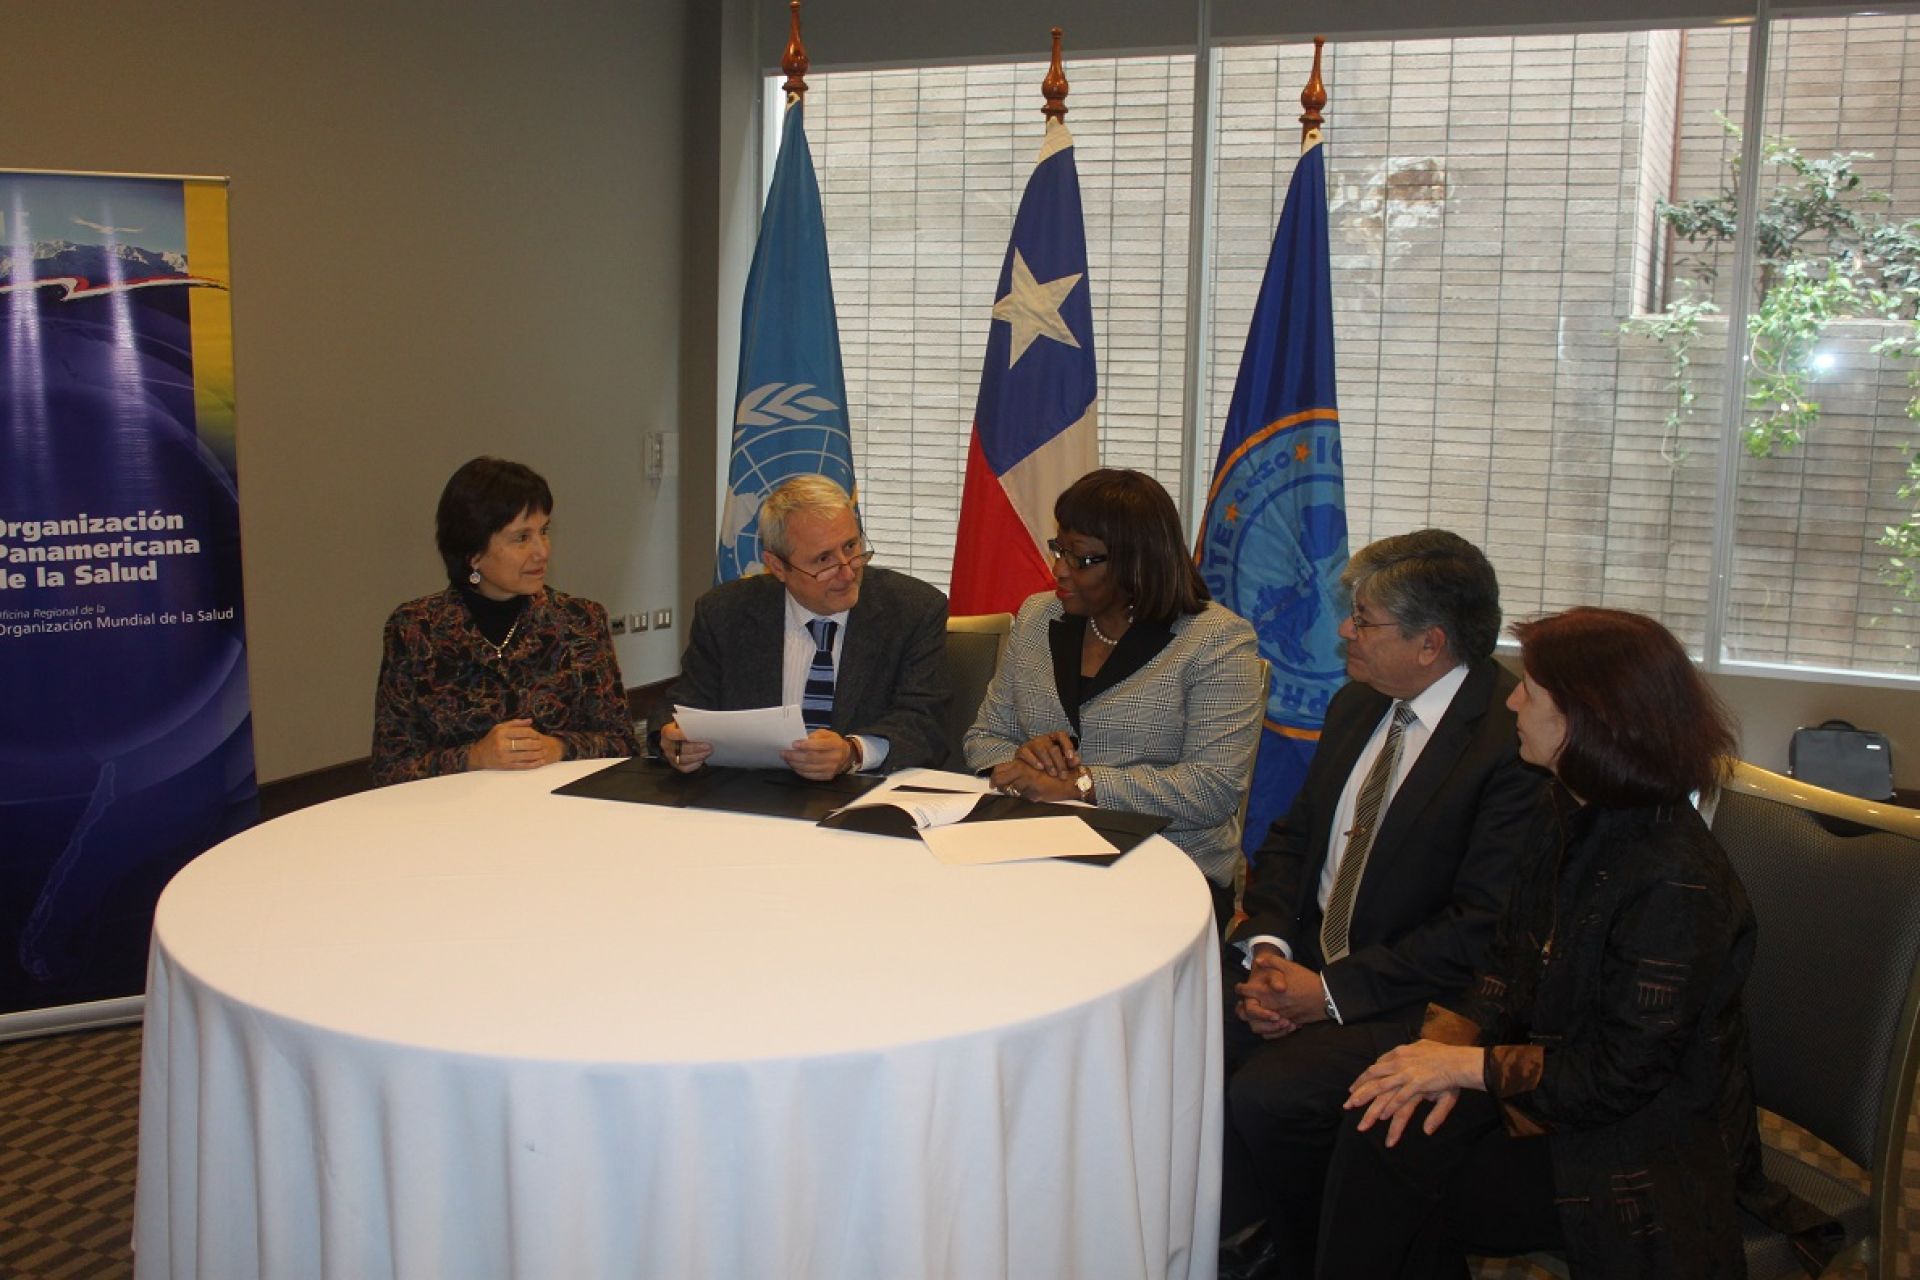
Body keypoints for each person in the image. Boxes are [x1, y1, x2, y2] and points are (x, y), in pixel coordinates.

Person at [1319, 607, 1756, 1278]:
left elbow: (1618, 1077)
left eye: (1531, 690)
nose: (1513, 701)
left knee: (1400, 1172)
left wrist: (1466, 1070)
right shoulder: (1571, 805)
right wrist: (1441, 1054)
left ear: (1587, 721)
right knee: (1384, 1119)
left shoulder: (1674, 879)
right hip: (1562, 1084)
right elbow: (1506, 965)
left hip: (1643, 1145)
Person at [1219, 529, 1543, 1280]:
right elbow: (1293, 839)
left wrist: (1327, 995)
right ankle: (1245, 1230)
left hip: (1423, 999)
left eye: (1364, 620)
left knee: (1271, 1093)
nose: (1344, 631)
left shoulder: (1511, 742)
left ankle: (1309, 1257)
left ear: (1431, 643)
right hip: (1307, 961)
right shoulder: (1358, 703)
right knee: (1182, 1032)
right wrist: (1269, 952)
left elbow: (1481, 927)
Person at [963, 468, 1264, 930]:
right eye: (1060, 549)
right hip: (1033, 848)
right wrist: (1022, 758)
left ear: (1137, 563)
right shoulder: (1039, 615)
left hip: (1166, 865)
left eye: (1081, 558)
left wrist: (1082, 785)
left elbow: (1211, 789)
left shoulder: (1215, 640)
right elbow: (984, 737)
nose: (1060, 569)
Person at [372, 457, 639, 784]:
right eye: (521, 538)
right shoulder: (416, 629)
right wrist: (474, 756)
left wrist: (557, 747)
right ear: (473, 553)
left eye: (544, 531)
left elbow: (623, 744)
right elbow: (390, 769)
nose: (542, 551)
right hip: (455, 810)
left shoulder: (580, 622)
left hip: (562, 804)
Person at [661, 475, 947, 779]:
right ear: (778, 567)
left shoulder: (912, 610)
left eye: (851, 546)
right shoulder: (725, 613)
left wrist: (853, 752)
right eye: (824, 560)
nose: (848, 573)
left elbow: (925, 723)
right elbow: (682, 706)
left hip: (863, 792)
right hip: (749, 793)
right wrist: (675, 740)